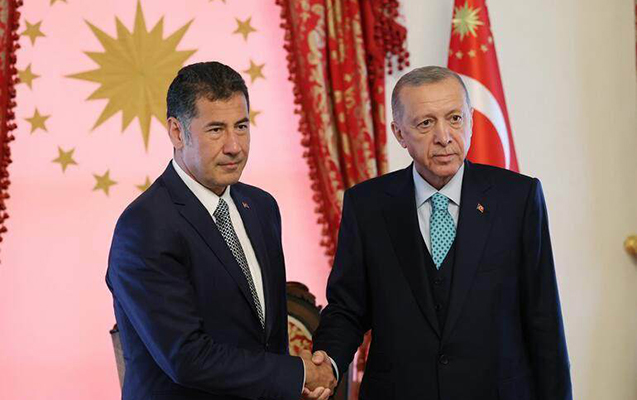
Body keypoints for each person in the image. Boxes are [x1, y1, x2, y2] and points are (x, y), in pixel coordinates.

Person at [310, 66, 572, 400]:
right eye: (425, 123)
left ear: (471, 121)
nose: (444, 137)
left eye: (455, 119)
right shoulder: (367, 205)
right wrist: (328, 363)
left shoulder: (518, 199)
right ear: (399, 133)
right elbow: (348, 308)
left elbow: (543, 319)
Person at [106, 61, 335, 400]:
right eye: (215, 130)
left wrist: (290, 385)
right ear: (177, 132)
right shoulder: (144, 226)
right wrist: (296, 373)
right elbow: (186, 357)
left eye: (241, 126)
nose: (234, 146)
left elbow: (267, 338)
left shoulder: (261, 206)